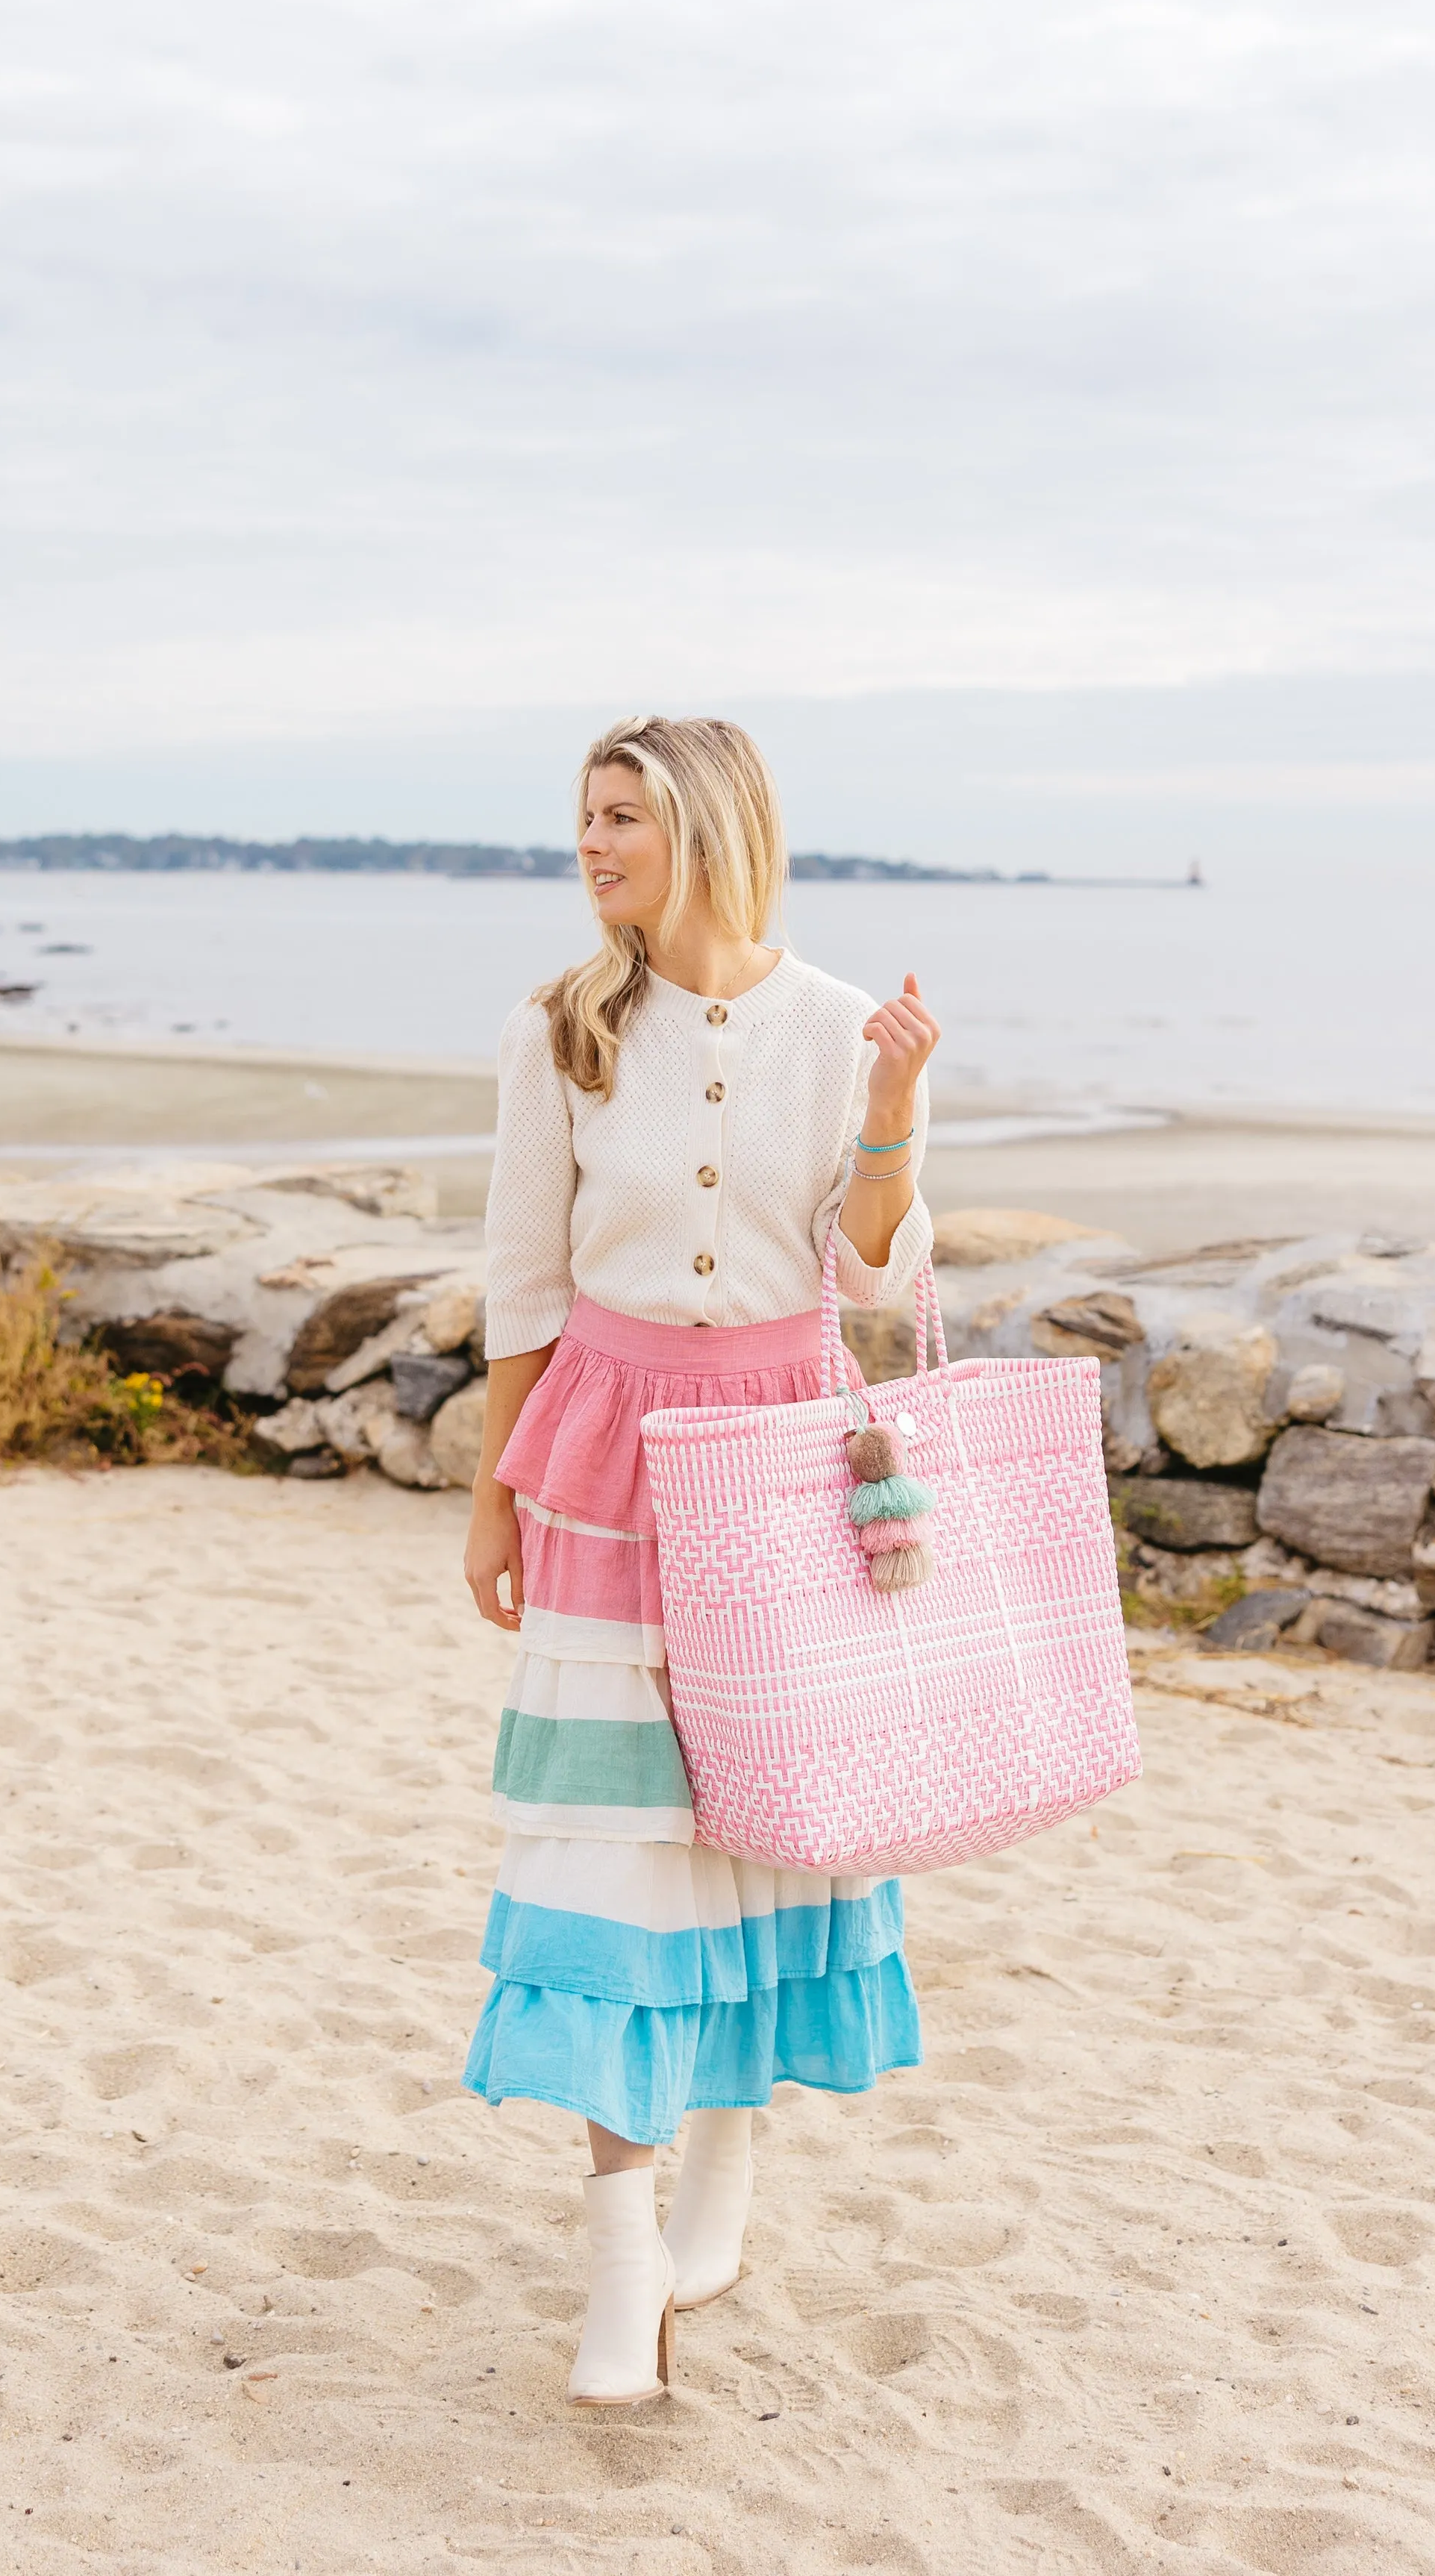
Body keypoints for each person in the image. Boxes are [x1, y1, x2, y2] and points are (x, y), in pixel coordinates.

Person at [460, 713, 940, 2405]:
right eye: (583, 818)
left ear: (708, 831)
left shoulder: (833, 1027)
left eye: (622, 819)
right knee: (604, 1853)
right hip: (602, 1457)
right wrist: (493, 1486)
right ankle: (618, 2267)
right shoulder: (562, 1027)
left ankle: (723, 2176)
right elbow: (523, 1271)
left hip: (786, 1465)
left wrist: (890, 1103)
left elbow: (875, 1278)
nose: (592, 847)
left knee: (756, 1838)